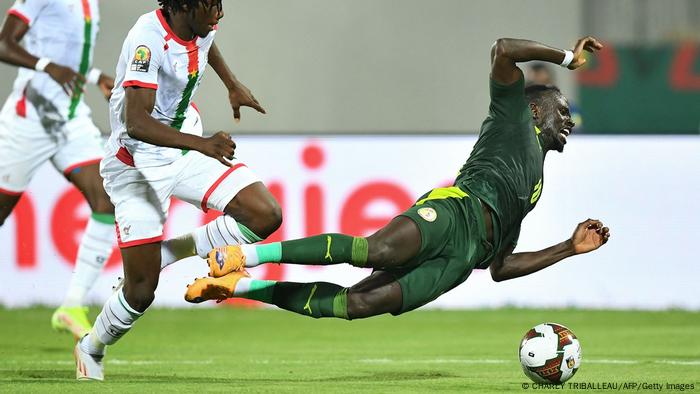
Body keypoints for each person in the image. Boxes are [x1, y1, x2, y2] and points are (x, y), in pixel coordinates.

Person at [184, 36, 611, 322]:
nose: (569, 121)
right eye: (563, 111)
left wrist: (569, 249)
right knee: (377, 250)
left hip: (463, 259)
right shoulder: (512, 113)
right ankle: (245, 256)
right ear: (536, 110)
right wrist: (568, 59)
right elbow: (503, 49)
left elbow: (500, 267)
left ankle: (240, 286)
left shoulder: (534, 184)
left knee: (357, 304)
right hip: (455, 211)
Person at [73, 0, 282, 381]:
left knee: (264, 214)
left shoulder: (200, 22)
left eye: (220, 5)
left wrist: (232, 83)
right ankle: (91, 346)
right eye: (211, 7)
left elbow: (206, 42)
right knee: (140, 292)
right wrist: (203, 144)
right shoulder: (146, 40)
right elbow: (135, 122)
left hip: (184, 149)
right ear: (183, 7)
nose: (218, 15)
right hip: (137, 165)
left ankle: (170, 252)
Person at [0, 0, 117, 338]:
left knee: (107, 198)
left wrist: (95, 76)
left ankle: (72, 305)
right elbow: (4, 42)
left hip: (70, 118)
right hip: (29, 119)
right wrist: (46, 65)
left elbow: (68, 58)